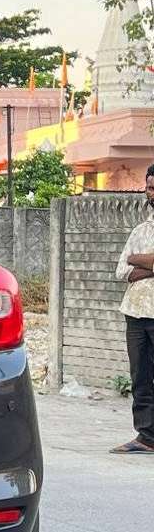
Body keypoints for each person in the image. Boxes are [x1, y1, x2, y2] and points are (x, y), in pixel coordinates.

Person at [112, 164, 154, 453]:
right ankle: (146, 437)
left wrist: (137, 262)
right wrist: (148, 263)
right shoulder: (141, 229)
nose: (151, 193)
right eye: (149, 187)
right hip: (135, 312)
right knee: (140, 376)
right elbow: (120, 269)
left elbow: (131, 263)